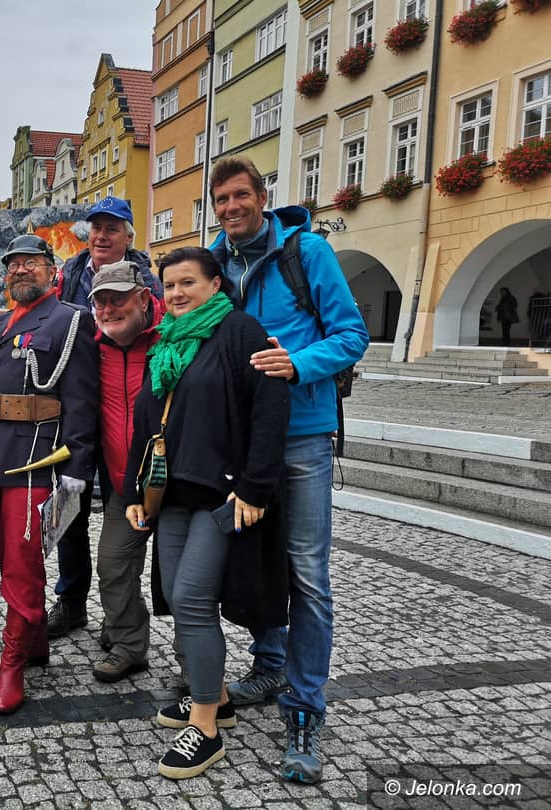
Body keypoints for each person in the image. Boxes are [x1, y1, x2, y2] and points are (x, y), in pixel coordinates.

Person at [207, 156, 369, 784]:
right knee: (254, 557)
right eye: (221, 200)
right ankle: (269, 664)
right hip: (242, 439)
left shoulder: (307, 252)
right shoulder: (214, 262)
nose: (231, 208)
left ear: (262, 196)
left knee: (306, 573)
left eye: (240, 195)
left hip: (301, 434)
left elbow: (351, 335)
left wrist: (296, 363)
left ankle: (304, 709)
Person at [124, 246, 290, 780]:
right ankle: (215, 694)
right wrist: (133, 493)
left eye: (188, 283)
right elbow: (145, 424)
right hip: (173, 495)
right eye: (169, 285)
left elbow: (270, 407)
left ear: (215, 284)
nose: (176, 293)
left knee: (194, 599)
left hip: (222, 495)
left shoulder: (240, 332)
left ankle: (206, 727)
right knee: (177, 597)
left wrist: (256, 488)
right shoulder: (167, 342)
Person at [0, 234, 98, 714]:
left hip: (38, 458)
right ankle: (35, 642)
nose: (21, 270)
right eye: (13, 264)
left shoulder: (71, 320)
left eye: (31, 262)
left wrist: (77, 470)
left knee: (23, 562)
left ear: (52, 270)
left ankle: (14, 662)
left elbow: (82, 400)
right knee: (10, 556)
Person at [47, 195, 162, 640]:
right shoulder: (70, 274)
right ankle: (71, 600)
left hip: (123, 414)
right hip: (76, 412)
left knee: (126, 510)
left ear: (128, 237)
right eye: (96, 227)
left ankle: (120, 613)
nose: (101, 235)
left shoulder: (146, 280)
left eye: (112, 228)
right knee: (68, 508)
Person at [88, 260, 163, 682]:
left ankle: (197, 671)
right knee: (113, 564)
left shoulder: (172, 338)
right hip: (125, 486)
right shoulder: (92, 346)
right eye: (101, 301)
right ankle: (129, 645)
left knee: (184, 582)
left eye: (118, 299)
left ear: (144, 298)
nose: (109, 309)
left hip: (179, 486)